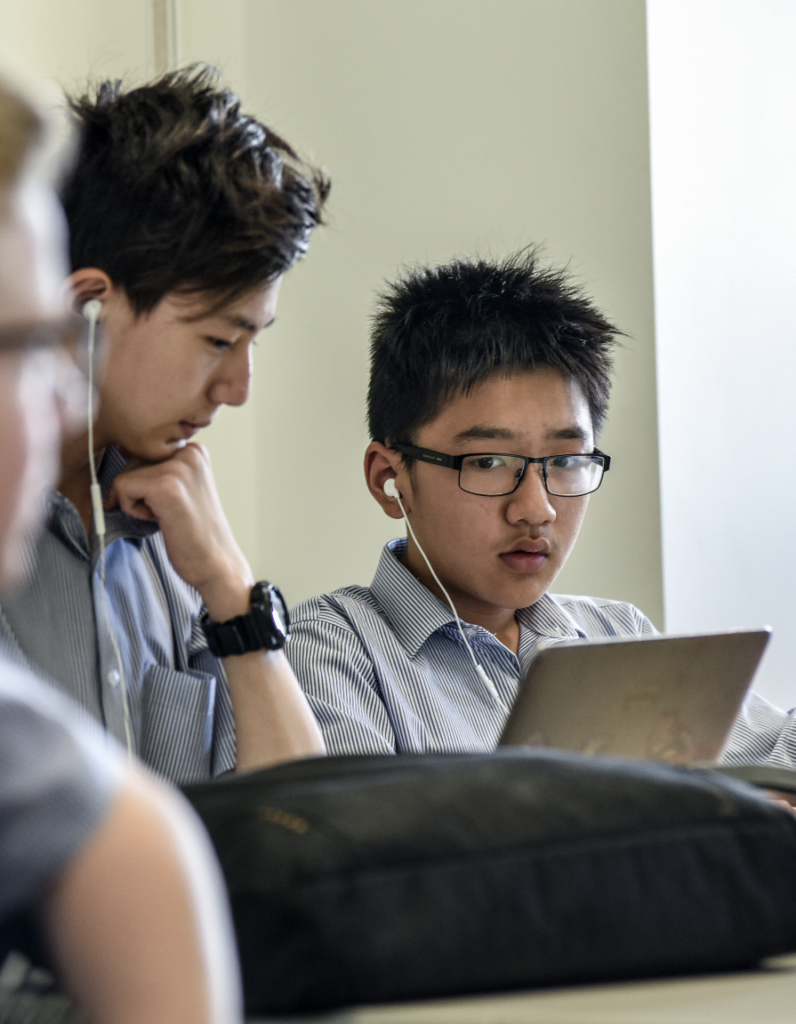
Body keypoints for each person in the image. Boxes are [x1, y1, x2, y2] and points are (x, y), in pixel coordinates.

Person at [286, 252, 796, 766]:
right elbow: (367, 841)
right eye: (486, 461)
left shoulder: (616, 636)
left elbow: (779, 757)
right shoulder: (331, 653)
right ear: (388, 479)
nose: (536, 508)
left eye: (567, 460)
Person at [0, 65, 328, 784]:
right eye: (218, 340)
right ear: (87, 309)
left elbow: (301, 819)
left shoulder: (178, 542)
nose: (238, 389)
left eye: (253, 341)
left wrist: (233, 596)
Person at [0, 69, 241, 1024]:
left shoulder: (163, 544)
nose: (67, 395)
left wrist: (233, 593)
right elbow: (139, 853)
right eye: (30, 348)